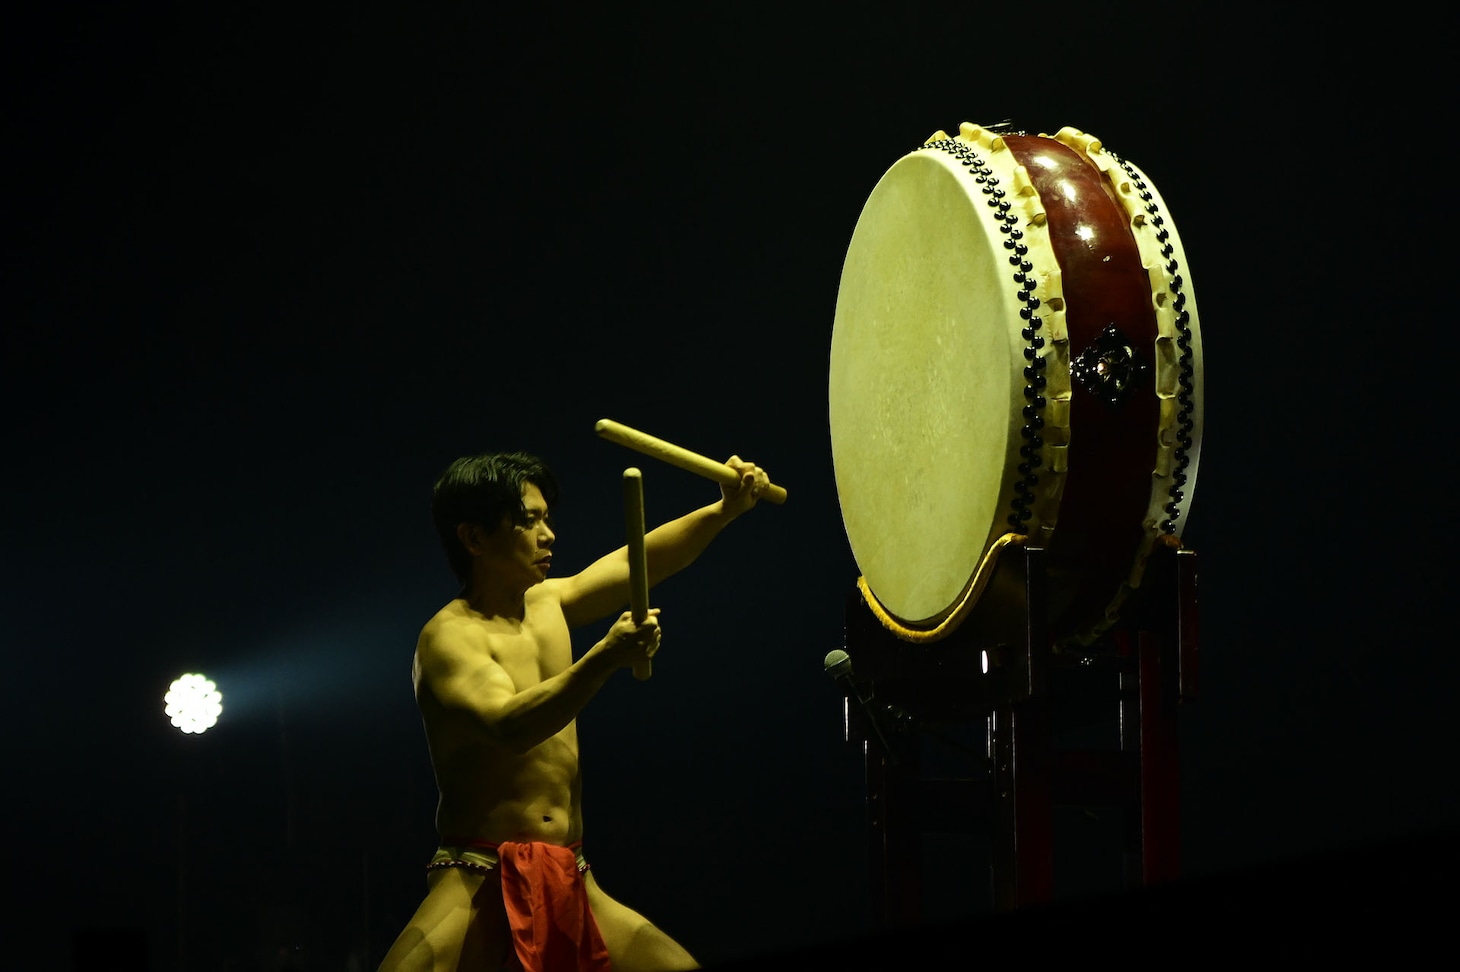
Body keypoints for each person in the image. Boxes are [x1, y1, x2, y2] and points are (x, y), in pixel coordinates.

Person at [380, 448, 770, 972]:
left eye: (547, 519)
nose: (549, 535)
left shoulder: (550, 603)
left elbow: (639, 561)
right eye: (529, 521)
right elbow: (509, 725)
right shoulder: (449, 638)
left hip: (571, 870)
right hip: (478, 872)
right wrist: (604, 658)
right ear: (473, 538)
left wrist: (723, 511)